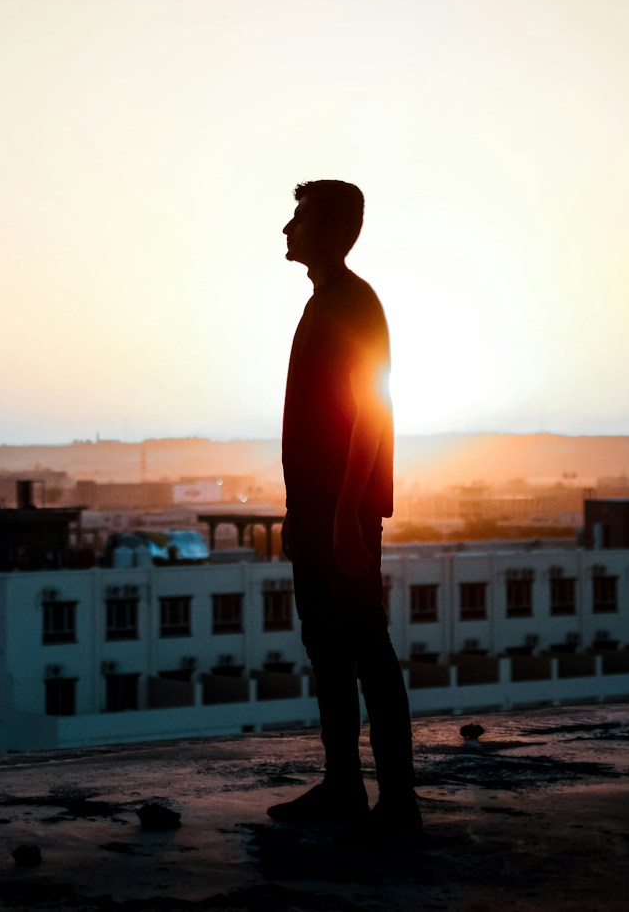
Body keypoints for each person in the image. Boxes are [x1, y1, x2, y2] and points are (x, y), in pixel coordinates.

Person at [269, 179, 419, 836]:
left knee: (366, 649)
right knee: (328, 648)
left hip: (341, 516)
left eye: (298, 218)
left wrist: (343, 514)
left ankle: (398, 802)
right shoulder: (327, 303)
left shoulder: (354, 303)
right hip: (317, 513)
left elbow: (369, 414)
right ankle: (342, 787)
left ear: (328, 230)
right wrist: (297, 512)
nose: (286, 229)